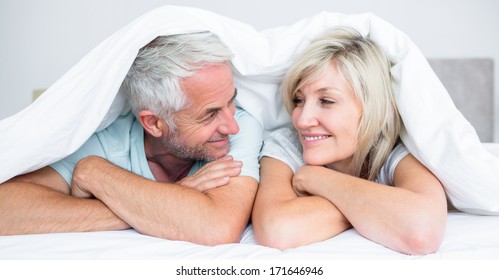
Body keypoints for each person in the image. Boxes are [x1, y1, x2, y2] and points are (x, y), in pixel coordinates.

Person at [0, 31, 263, 246]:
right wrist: (168, 201)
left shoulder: (240, 126)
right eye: (210, 114)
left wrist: (96, 175)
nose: (232, 126)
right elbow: (5, 210)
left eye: (231, 101)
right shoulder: (103, 144)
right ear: (154, 123)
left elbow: (217, 228)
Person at [251, 27, 447, 255]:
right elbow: (277, 230)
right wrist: (372, 207)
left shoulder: (396, 152)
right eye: (299, 100)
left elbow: (422, 233)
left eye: (326, 101)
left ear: (375, 108)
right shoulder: (286, 145)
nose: (302, 120)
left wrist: (317, 179)